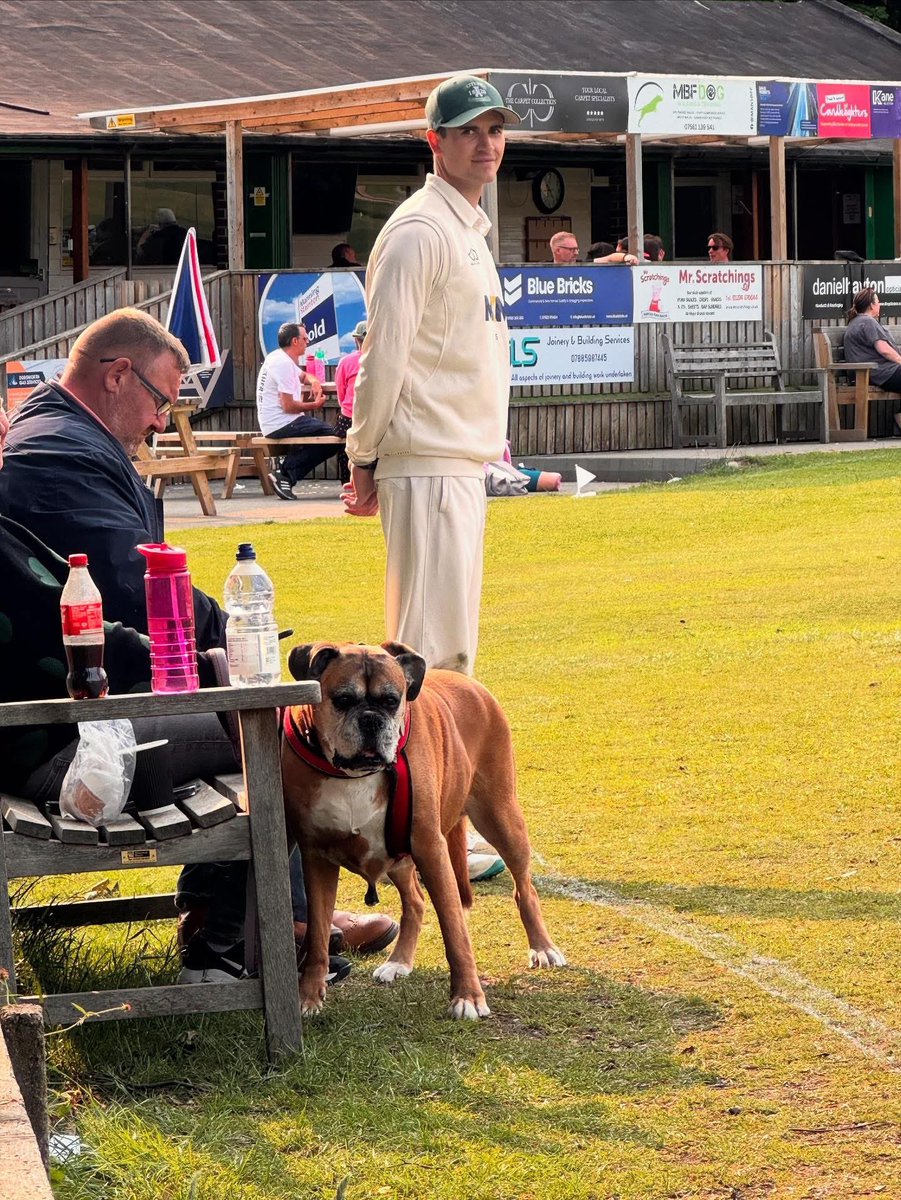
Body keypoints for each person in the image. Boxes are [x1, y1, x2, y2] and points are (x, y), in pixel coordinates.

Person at [0, 309, 395, 979]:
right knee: (286, 729)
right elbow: (136, 587)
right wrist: (237, 637)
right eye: (160, 400)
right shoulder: (58, 455)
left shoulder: (56, 434)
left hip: (60, 718)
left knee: (255, 713)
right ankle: (268, 929)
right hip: (61, 740)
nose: (160, 421)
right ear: (117, 374)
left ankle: (234, 917)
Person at [342, 74, 519, 676]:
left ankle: (444, 773)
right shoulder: (419, 231)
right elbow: (383, 355)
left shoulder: (465, 228)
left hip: (460, 464)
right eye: (468, 131)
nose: (485, 144)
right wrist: (361, 455)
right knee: (425, 659)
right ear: (434, 141)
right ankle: (417, 772)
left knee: (453, 659)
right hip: (426, 465)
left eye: (494, 130)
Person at [256, 322, 342, 502]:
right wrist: (315, 405)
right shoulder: (282, 364)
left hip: (278, 420)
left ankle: (286, 474)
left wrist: (315, 381)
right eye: (305, 338)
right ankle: (285, 474)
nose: (307, 341)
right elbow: (288, 406)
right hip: (281, 423)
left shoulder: (280, 358)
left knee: (329, 436)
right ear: (295, 341)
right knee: (333, 437)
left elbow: (303, 376)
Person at [843, 287, 901, 393]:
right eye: (878, 302)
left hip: (871, 373)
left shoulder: (857, 322)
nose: (880, 305)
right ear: (871, 305)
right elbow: (884, 350)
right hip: (879, 374)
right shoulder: (867, 321)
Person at [333, 319, 367, 484]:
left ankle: (347, 481)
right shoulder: (383, 360)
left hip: (349, 417)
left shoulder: (346, 362)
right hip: (375, 418)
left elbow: (340, 393)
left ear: (356, 340)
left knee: (343, 443)